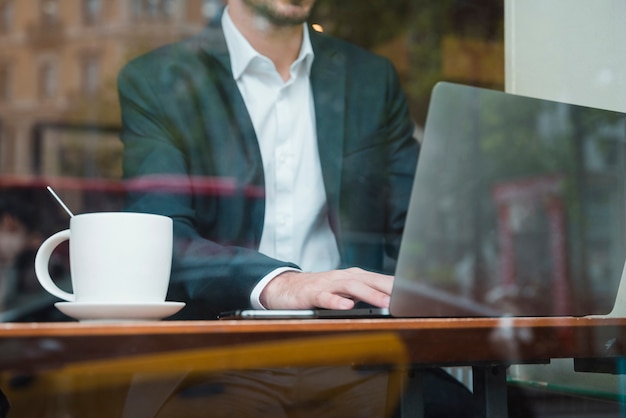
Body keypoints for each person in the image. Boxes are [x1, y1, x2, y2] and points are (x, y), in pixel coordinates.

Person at [118, 0, 477, 416]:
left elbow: (415, 227)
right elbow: (164, 241)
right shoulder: (159, 80)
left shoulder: (369, 79)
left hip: (357, 354)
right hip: (220, 356)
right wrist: (280, 283)